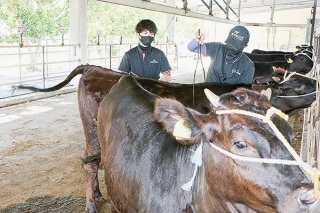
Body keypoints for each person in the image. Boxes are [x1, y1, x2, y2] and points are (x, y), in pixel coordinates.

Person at [187, 25, 255, 84]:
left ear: (245, 46)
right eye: (230, 43)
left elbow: (242, 93)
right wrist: (197, 41)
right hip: (208, 94)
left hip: (228, 98)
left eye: (235, 45)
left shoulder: (248, 66)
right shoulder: (217, 48)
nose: (230, 47)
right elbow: (191, 47)